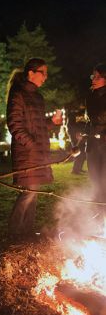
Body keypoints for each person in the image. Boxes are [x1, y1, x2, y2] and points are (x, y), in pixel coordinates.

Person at [6, 58, 61, 241]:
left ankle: (27, 231)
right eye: (42, 72)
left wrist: (50, 123)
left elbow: (38, 125)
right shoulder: (18, 94)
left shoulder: (37, 97)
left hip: (37, 153)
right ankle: (15, 232)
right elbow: (15, 125)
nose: (45, 77)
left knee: (33, 193)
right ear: (31, 73)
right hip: (27, 153)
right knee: (29, 192)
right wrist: (31, 145)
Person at [86, 63, 106, 229]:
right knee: (94, 179)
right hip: (93, 143)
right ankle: (97, 216)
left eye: (98, 76)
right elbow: (91, 119)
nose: (94, 79)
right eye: (93, 76)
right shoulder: (91, 96)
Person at [67, 106, 87, 174]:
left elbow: (80, 125)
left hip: (80, 137)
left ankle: (79, 168)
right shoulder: (72, 118)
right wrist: (77, 132)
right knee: (78, 153)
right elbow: (73, 126)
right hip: (76, 138)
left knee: (83, 153)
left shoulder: (77, 118)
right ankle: (75, 170)